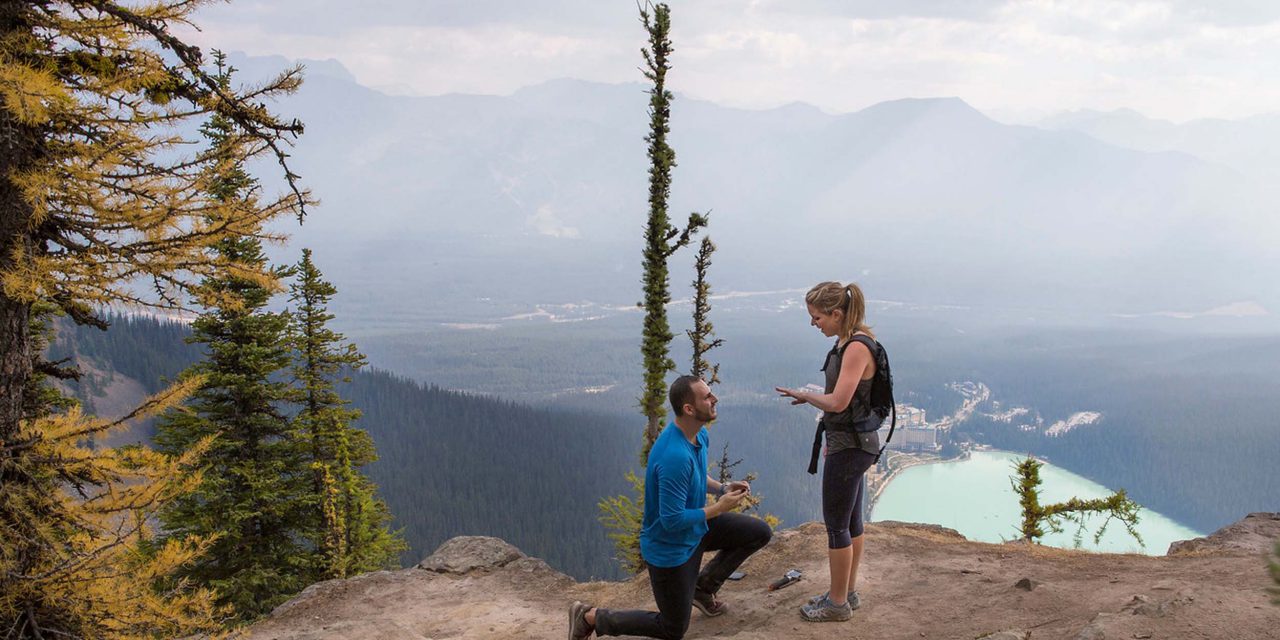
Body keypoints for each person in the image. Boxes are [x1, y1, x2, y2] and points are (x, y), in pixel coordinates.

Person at [569, 375, 773, 640]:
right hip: (671, 547)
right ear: (689, 409)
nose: (715, 399)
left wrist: (722, 488)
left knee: (759, 532)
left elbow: (698, 476)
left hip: (695, 529)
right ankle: (592, 617)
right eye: (707, 396)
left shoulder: (698, 435)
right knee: (672, 629)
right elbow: (671, 520)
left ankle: (703, 588)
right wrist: (720, 508)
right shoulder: (674, 455)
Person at [775, 281, 883, 622]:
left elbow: (838, 401)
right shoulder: (852, 340)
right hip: (856, 443)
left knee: (836, 525)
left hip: (850, 446)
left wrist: (806, 396)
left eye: (817, 316)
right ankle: (846, 592)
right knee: (851, 522)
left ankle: (837, 604)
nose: (813, 323)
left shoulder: (854, 348)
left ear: (837, 314)